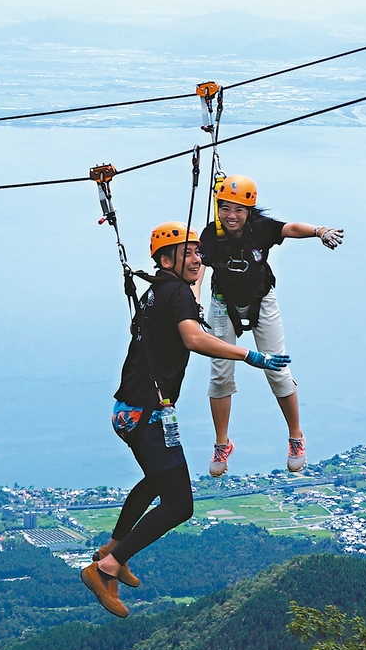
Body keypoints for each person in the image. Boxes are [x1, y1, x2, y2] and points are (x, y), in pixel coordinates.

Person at [82, 222, 290, 618]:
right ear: (165, 259)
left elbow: (188, 305)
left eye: (198, 251)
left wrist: (202, 271)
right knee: (179, 504)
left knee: (155, 481)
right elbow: (194, 338)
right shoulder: (174, 293)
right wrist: (249, 356)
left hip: (130, 411)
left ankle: (114, 548)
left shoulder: (160, 290)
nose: (197, 258)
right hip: (148, 414)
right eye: (189, 253)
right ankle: (104, 568)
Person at [199, 175, 344, 477]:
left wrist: (320, 231)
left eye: (239, 210)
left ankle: (296, 436)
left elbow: (288, 229)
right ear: (218, 209)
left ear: (249, 210)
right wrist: (192, 297)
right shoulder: (212, 234)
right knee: (220, 373)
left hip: (260, 299)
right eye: (226, 209)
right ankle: (222, 443)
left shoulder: (260, 229)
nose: (232, 216)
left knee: (277, 369)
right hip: (223, 301)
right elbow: (200, 263)